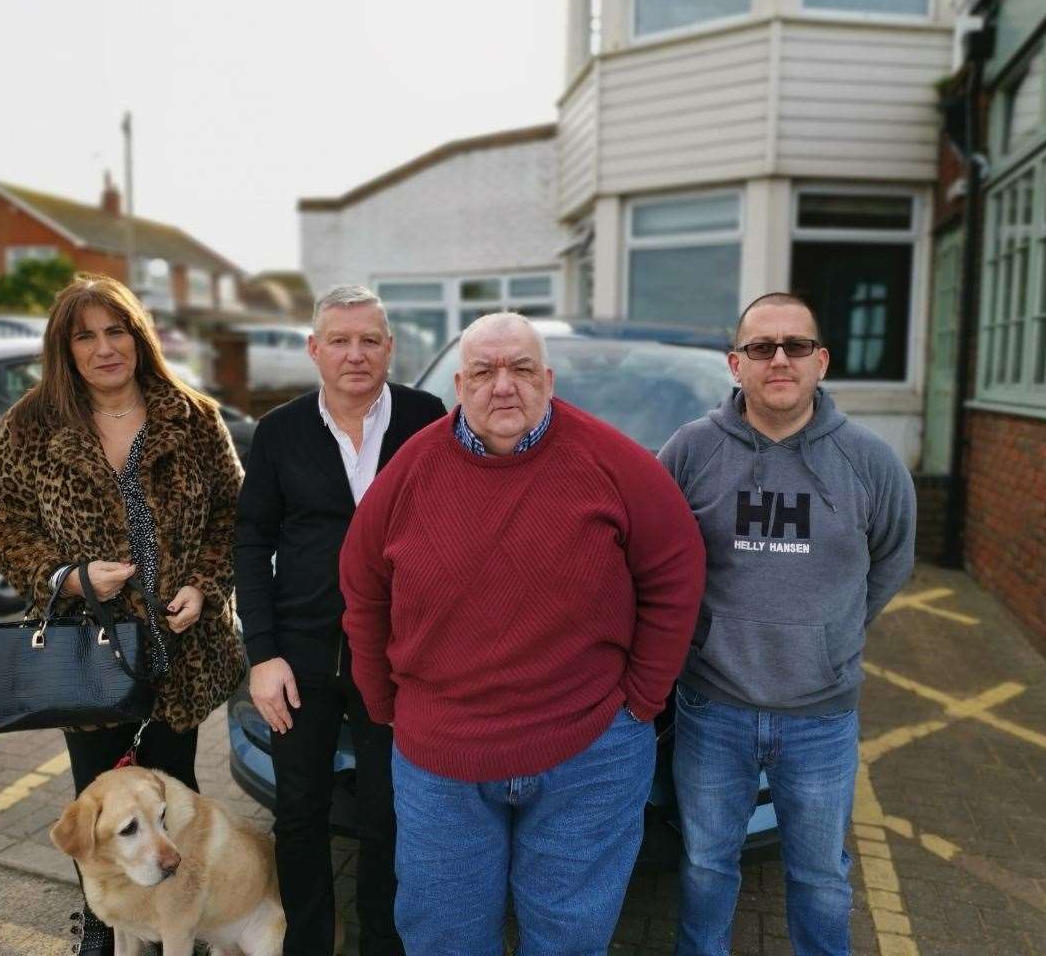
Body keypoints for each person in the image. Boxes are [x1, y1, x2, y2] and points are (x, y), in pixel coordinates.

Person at [338, 311, 706, 956]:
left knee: (569, 937)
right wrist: (384, 705)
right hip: (440, 760)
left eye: (521, 370)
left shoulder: (616, 464)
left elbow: (677, 573)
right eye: (484, 371)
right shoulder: (408, 474)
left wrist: (643, 699)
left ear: (549, 379)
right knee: (443, 937)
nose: (503, 386)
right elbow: (363, 593)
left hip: (589, 752)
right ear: (459, 382)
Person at [0, 273, 247, 956]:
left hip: (177, 654)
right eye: (86, 336)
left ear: (138, 335)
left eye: (116, 330)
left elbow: (234, 516)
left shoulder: (192, 416)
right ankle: (103, 924)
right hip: (87, 658)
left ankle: (174, 921)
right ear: (65, 350)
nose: (104, 348)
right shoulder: (33, 426)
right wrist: (66, 578)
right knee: (98, 808)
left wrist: (204, 587)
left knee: (172, 804)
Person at [658, 292, 916, 956]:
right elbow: (654, 560)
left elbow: (888, 562)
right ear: (734, 363)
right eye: (761, 347)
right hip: (712, 708)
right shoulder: (688, 452)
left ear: (821, 360)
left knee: (820, 877)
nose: (779, 359)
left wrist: (830, 638)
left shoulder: (871, 462)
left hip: (821, 718)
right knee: (706, 866)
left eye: (795, 346)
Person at [234, 285, 446, 956]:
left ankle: (382, 938)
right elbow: (250, 542)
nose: (355, 354)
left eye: (369, 340)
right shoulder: (280, 432)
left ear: (389, 347)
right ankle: (309, 939)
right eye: (340, 340)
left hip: (398, 656)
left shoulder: (427, 418)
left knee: (389, 813)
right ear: (315, 349)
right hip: (300, 660)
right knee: (300, 812)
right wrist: (261, 656)